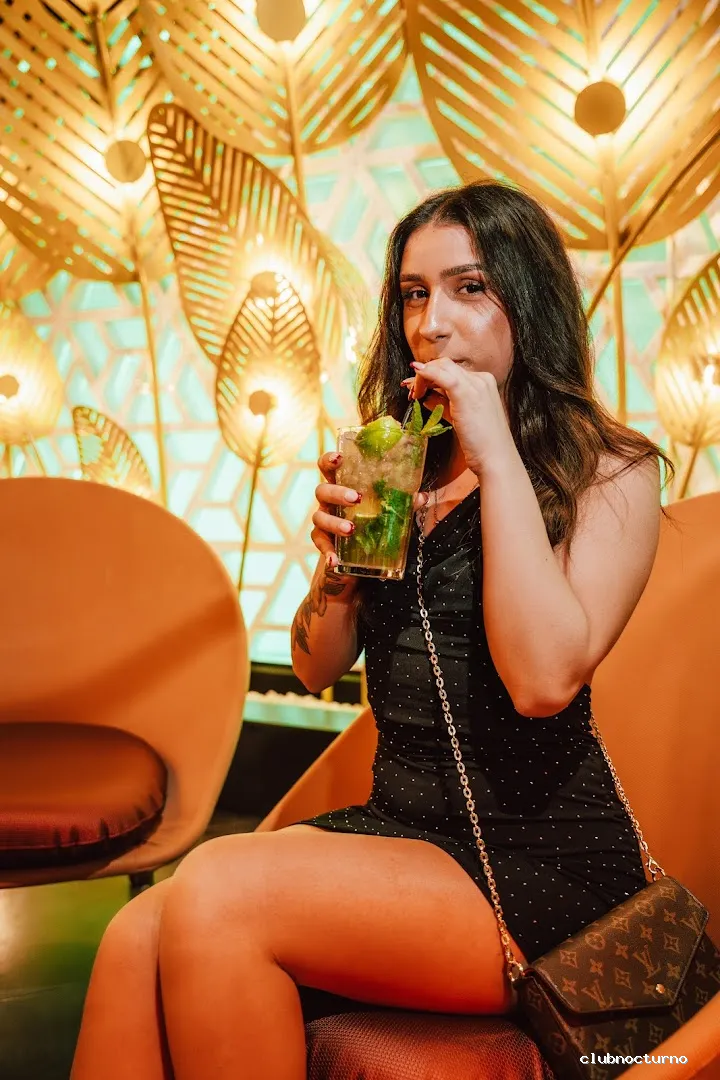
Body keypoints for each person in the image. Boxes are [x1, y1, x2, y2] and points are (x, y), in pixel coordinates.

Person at [71, 181, 671, 1080]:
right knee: (134, 933)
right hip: (399, 829)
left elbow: (544, 680)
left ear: (530, 299)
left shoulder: (608, 469)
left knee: (220, 895)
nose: (433, 323)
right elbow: (315, 666)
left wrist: (494, 451)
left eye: (470, 288)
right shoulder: (397, 457)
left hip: (539, 861)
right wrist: (337, 562)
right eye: (415, 294)